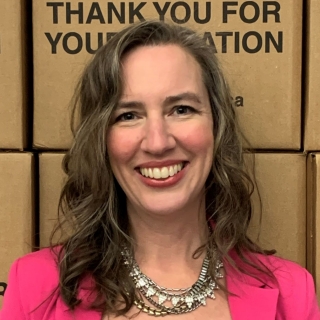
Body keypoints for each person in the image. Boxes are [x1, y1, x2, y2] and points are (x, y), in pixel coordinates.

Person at [1, 20, 319, 320]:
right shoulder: (33, 288)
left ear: (217, 126)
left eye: (181, 109)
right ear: (101, 139)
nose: (157, 142)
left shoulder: (293, 294)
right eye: (127, 115)